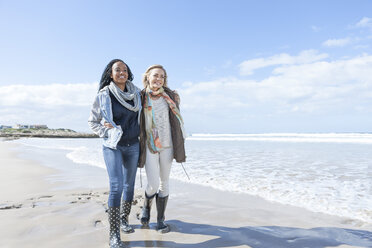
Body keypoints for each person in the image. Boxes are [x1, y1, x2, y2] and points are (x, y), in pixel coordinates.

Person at [88, 59, 141, 248]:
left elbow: (153, 99)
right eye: (117, 70)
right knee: (117, 186)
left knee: (129, 186)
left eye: (125, 70)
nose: (121, 73)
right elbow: (92, 121)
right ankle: (114, 235)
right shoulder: (104, 95)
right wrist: (105, 131)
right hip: (113, 146)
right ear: (110, 74)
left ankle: (124, 219)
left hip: (134, 144)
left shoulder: (137, 94)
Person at [138, 64, 186, 233]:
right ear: (147, 77)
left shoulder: (171, 97)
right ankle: (146, 206)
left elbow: (176, 121)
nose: (158, 79)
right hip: (150, 145)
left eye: (162, 76)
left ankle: (160, 220)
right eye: (155, 75)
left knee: (164, 183)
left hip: (168, 145)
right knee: (153, 184)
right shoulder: (140, 96)